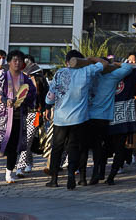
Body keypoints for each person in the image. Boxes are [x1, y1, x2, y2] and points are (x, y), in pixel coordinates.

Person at [45, 51, 107, 189]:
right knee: (75, 147)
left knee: (57, 148)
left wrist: (48, 106)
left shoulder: (60, 73)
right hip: (79, 118)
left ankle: (54, 179)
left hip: (60, 118)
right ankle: (72, 175)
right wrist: (91, 59)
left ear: (67, 61)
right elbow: (104, 63)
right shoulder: (86, 71)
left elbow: (51, 95)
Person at [0, 50, 37, 187]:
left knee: (13, 147)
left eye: (20, 60)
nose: (17, 63)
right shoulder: (3, 77)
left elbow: (32, 97)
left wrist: (23, 100)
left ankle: (8, 174)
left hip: (18, 118)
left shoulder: (26, 79)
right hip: (1, 118)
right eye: (14, 60)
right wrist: (4, 99)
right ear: (9, 62)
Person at [81, 57, 136, 185]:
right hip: (112, 117)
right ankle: (111, 176)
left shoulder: (91, 77)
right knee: (118, 148)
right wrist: (115, 64)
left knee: (97, 148)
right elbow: (129, 67)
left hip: (91, 117)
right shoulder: (112, 76)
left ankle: (95, 174)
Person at [105, 55, 136, 185]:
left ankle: (99, 173)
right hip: (123, 116)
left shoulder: (105, 76)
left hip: (106, 115)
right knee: (120, 147)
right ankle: (113, 174)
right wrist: (125, 64)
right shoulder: (131, 75)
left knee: (104, 147)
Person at [14, 55, 49, 178]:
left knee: (27, 139)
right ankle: (28, 162)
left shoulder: (39, 79)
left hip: (35, 113)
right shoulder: (17, 79)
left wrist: (45, 109)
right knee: (23, 139)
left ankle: (20, 167)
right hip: (21, 113)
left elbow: (45, 95)